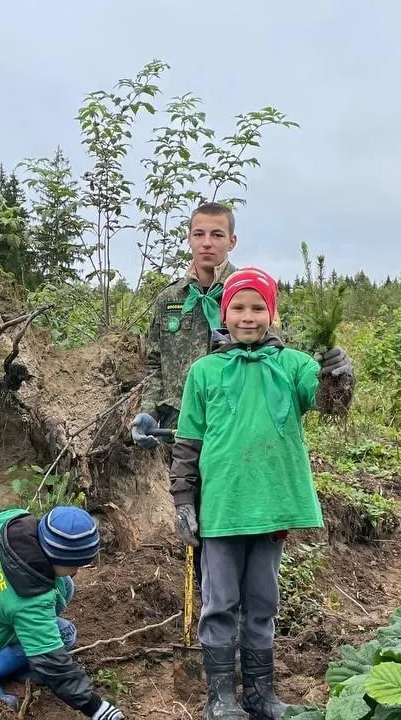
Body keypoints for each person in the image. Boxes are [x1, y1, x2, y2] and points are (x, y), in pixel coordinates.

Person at [169, 268, 353, 720]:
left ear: (272, 314)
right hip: (222, 509)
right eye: (238, 307)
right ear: (224, 313)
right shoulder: (204, 371)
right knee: (220, 605)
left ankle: (259, 695)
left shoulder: (294, 365)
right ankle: (220, 698)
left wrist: (337, 376)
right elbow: (188, 443)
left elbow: (329, 404)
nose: (247, 317)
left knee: (262, 604)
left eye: (257, 308)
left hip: (271, 508)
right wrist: (184, 501)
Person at [0, 506, 127, 720]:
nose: (77, 571)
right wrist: (95, 707)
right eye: (74, 564)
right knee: (64, 633)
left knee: (65, 585)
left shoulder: (12, 518)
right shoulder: (30, 599)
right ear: (55, 556)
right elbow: (51, 660)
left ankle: (20, 660)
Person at [133, 202, 241, 445]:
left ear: (232, 242)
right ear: (189, 239)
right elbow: (155, 364)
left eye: (217, 235)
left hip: (233, 427)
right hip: (180, 429)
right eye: (199, 234)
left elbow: (271, 355)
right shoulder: (170, 298)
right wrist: (149, 413)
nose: (206, 243)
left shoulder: (247, 295)